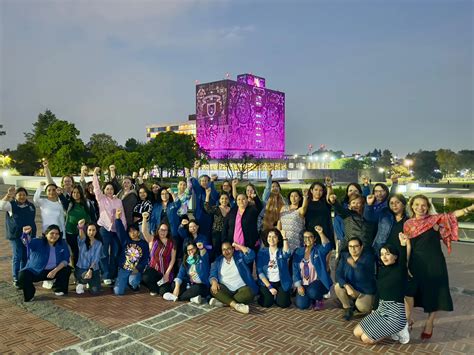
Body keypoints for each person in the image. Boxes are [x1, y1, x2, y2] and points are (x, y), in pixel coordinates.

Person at [404, 195, 474, 339]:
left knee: (434, 293)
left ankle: (430, 322)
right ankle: (407, 320)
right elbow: (408, 246)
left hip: (435, 263)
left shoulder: (435, 220)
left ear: (428, 207)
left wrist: (471, 207)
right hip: (416, 263)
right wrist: (406, 264)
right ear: (412, 206)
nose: (420, 208)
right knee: (409, 293)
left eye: (424, 205)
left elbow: (453, 215)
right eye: (417, 204)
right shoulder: (408, 224)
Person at [353, 234, 410, 345]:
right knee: (356, 332)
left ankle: (400, 328)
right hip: (381, 310)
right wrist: (374, 309)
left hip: (395, 315)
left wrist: (403, 244)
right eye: (382, 254)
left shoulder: (400, 270)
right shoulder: (382, 270)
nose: (384, 257)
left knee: (366, 339)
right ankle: (392, 329)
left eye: (387, 254)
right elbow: (378, 291)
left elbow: (403, 259)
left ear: (395, 256)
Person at [18, 224, 71, 302]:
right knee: (22, 275)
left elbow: (65, 260)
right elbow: (27, 242)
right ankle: (30, 293)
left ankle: (59, 288)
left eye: (57, 234)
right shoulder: (38, 242)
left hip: (53, 271)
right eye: (52, 233)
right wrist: (25, 234)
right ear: (46, 234)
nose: (54, 236)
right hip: (36, 271)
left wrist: (55, 271)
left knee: (67, 269)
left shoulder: (62, 243)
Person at [92, 167, 126, 285]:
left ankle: (112, 275)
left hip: (116, 230)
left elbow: (122, 217)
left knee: (115, 252)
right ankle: (105, 274)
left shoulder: (118, 201)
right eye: (107, 189)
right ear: (104, 190)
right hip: (104, 229)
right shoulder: (101, 199)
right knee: (104, 252)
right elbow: (96, 188)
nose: (109, 190)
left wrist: (123, 229)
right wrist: (95, 174)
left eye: (111, 189)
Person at [0, 186, 37, 287]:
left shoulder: (30, 206)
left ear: (27, 196)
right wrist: (8, 195)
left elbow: (32, 220)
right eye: (19, 194)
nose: (22, 196)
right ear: (15, 196)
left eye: (24, 195)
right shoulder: (11, 205)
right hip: (16, 235)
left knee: (25, 256)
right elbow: (1, 206)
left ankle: (23, 276)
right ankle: (16, 277)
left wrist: (32, 233)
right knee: (18, 256)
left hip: (28, 236)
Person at [208, 242, 258, 314]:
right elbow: (212, 274)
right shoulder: (218, 261)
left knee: (250, 292)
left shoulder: (239, 256)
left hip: (241, 288)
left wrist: (239, 246)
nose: (226, 251)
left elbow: (251, 256)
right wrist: (214, 282)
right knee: (213, 289)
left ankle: (225, 302)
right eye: (224, 250)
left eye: (228, 249)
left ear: (233, 249)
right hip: (226, 289)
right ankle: (236, 306)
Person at [335, 237, 376, 321]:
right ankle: (348, 308)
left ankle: (358, 305)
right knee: (337, 286)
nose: (353, 249)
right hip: (351, 288)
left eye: (356, 246)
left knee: (363, 307)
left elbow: (365, 276)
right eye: (350, 246)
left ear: (361, 247)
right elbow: (338, 274)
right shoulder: (345, 256)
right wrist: (346, 286)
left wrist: (355, 265)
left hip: (364, 291)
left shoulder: (369, 258)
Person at [292, 226, 333, 310]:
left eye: (310, 237)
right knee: (302, 305)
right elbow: (295, 270)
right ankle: (311, 299)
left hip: (317, 282)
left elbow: (327, 246)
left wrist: (321, 233)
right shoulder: (298, 251)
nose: (307, 239)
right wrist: (299, 286)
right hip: (304, 283)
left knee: (312, 292)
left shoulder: (318, 250)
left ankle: (319, 299)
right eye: (305, 237)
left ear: (314, 239)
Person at [112, 209, 150, 295]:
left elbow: (146, 258)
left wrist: (138, 268)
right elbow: (120, 231)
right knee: (118, 292)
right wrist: (117, 218)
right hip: (124, 269)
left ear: (138, 232)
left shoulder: (143, 244)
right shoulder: (126, 241)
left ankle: (134, 285)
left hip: (135, 270)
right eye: (130, 232)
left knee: (133, 281)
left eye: (134, 231)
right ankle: (125, 283)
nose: (132, 233)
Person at [141, 212, 177, 296]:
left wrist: (167, 274)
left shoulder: (172, 243)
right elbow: (144, 231)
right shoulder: (153, 240)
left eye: (165, 230)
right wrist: (144, 218)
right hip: (154, 270)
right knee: (146, 277)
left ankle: (160, 286)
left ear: (168, 232)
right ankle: (154, 288)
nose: (163, 232)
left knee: (163, 292)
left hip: (165, 271)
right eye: (161, 229)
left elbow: (173, 259)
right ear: (158, 230)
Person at [256, 228, 292, 308]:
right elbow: (260, 272)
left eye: (274, 237)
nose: (271, 239)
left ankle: (280, 295)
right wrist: (269, 287)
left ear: (278, 239)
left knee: (283, 304)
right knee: (266, 304)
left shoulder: (281, 251)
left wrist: (284, 238)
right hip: (267, 282)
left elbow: (286, 254)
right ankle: (265, 294)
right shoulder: (262, 252)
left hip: (281, 282)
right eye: (269, 236)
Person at [64, 185, 94, 266]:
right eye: (74, 192)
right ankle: (76, 269)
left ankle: (86, 267)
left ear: (81, 193)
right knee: (75, 251)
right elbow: (61, 198)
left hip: (83, 232)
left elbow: (93, 217)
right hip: (71, 232)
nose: (75, 194)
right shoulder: (69, 203)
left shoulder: (87, 203)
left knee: (84, 250)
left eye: (78, 192)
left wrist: (86, 222)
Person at [190, 160, 219, 238]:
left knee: (209, 235)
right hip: (199, 216)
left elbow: (216, 197)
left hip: (209, 218)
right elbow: (194, 180)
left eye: (206, 181)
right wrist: (196, 168)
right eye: (202, 181)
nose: (204, 182)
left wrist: (212, 181)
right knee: (199, 234)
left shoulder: (211, 190)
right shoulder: (199, 191)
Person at [75, 220, 103, 295]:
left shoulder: (99, 243)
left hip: (93, 269)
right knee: (85, 275)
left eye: (93, 230)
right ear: (86, 231)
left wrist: (90, 270)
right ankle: (81, 283)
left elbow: (96, 259)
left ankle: (89, 282)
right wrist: (80, 227)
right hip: (82, 268)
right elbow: (81, 235)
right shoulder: (82, 240)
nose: (91, 232)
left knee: (95, 291)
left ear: (96, 231)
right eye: (89, 230)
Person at [204, 189, 231, 259]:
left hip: (227, 234)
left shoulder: (231, 210)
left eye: (226, 199)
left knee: (226, 251)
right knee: (216, 251)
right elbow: (207, 208)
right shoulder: (216, 208)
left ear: (228, 200)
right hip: (216, 234)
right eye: (222, 198)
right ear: (219, 200)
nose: (224, 200)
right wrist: (207, 195)